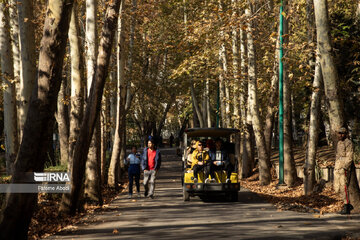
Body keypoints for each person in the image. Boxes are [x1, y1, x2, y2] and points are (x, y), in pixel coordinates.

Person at [334, 127, 354, 214]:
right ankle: (345, 204)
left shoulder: (348, 143)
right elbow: (338, 155)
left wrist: (345, 167)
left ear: (345, 134)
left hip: (344, 167)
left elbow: (350, 156)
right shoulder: (339, 143)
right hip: (337, 166)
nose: (340, 135)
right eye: (339, 133)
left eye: (342, 133)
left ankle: (347, 206)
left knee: (344, 187)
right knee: (337, 188)